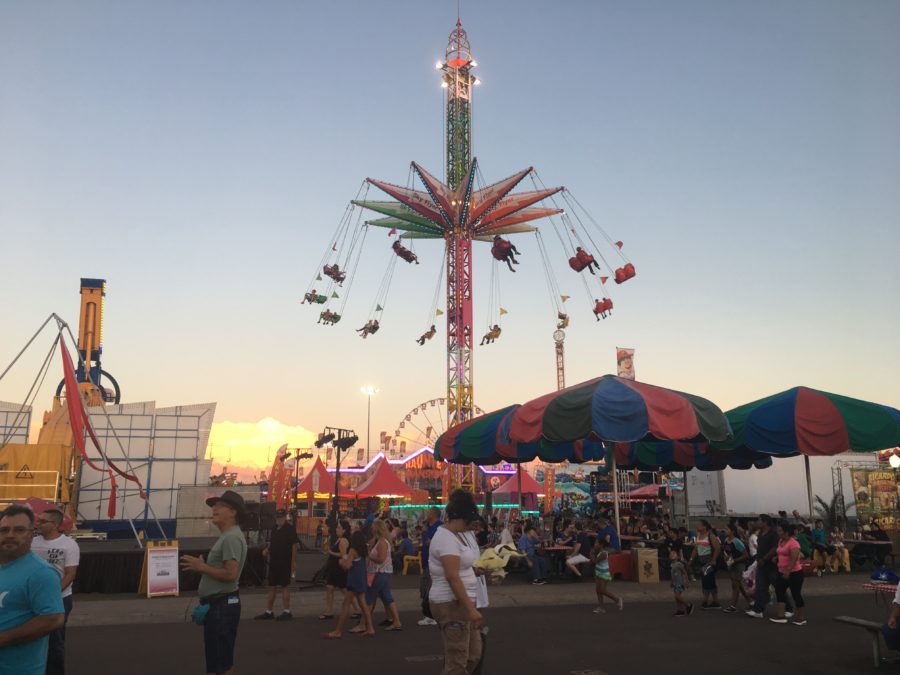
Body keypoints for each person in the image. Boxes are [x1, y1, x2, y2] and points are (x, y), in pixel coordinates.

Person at [180, 490, 248, 675]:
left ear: (233, 512)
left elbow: (230, 574)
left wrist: (201, 567)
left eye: (220, 505)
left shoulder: (232, 537)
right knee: (221, 662)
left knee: (222, 666)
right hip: (220, 606)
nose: (214, 508)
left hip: (222, 608)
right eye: (214, 505)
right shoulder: (229, 536)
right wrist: (203, 565)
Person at [0, 505, 65, 675]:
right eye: (4, 530)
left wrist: (3, 639)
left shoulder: (41, 572)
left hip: (16, 669)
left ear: (31, 534)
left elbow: (53, 619)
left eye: (19, 530)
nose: (10, 535)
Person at [428, 489, 484, 674]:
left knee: (472, 655)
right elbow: (452, 576)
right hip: (451, 603)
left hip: (462, 601)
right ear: (461, 518)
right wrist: (471, 609)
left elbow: (462, 567)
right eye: (469, 521)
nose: (471, 525)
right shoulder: (446, 538)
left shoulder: (460, 534)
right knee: (457, 658)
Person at [31, 508, 79, 675]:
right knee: (31, 638)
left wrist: (51, 595)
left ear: (55, 524)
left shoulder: (69, 545)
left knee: (55, 642)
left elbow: (70, 574)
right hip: (33, 599)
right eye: (38, 521)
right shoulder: (32, 542)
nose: (38, 524)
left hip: (59, 599)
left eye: (43, 521)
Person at [325, 530, 374, 639]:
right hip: (361, 577)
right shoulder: (363, 550)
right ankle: (370, 627)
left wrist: (342, 562)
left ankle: (338, 631)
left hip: (354, 578)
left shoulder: (352, 550)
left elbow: (347, 566)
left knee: (345, 604)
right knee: (363, 603)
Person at [255, 509, 298, 621]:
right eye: (277, 518)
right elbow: (273, 542)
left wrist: (293, 562)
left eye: (281, 517)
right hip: (274, 562)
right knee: (272, 586)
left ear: (285, 517)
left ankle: (286, 611)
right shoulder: (274, 528)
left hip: (285, 562)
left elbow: (294, 546)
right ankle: (269, 611)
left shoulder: (290, 529)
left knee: (284, 586)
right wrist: (267, 549)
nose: (279, 519)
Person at [360, 519, 402, 632]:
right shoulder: (380, 541)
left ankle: (363, 624)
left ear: (377, 528)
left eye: (373, 527)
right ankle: (396, 621)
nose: (371, 529)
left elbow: (381, 559)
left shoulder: (382, 542)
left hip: (380, 572)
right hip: (383, 572)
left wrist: (369, 556)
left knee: (370, 597)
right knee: (386, 596)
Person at [746, 514, 789, 620]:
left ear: (765, 522)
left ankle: (788, 608)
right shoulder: (761, 533)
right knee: (760, 587)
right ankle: (758, 610)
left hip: (771, 565)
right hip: (761, 564)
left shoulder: (773, 533)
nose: (757, 522)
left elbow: (775, 548)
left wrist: (765, 558)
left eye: (759, 520)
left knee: (778, 587)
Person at [769, 523, 807, 626]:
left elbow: (794, 558)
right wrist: (776, 558)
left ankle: (801, 618)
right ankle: (781, 616)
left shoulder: (794, 543)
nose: (778, 532)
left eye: (780, 530)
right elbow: (781, 553)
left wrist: (788, 570)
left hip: (794, 573)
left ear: (786, 532)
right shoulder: (781, 541)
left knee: (796, 594)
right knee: (779, 592)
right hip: (781, 572)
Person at [418, 507, 443, 627]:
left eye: (428, 512)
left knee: (430, 589)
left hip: (433, 562)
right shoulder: (429, 527)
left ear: (433, 514)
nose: (426, 514)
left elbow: (431, 543)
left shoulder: (439, 527)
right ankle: (429, 614)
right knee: (425, 588)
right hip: (427, 560)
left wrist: (424, 533)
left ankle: (432, 616)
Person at [690, 520, 721, 609]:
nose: (697, 526)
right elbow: (696, 549)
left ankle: (706, 601)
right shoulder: (699, 535)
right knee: (707, 580)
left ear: (704, 527)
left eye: (699, 525)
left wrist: (714, 560)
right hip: (702, 561)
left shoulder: (710, 536)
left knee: (707, 580)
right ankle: (714, 601)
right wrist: (691, 560)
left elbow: (717, 548)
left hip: (708, 561)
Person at [722, 522, 751, 612]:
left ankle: (733, 606)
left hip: (739, 565)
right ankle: (750, 602)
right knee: (738, 585)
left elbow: (746, 555)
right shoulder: (726, 540)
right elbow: (726, 552)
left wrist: (735, 560)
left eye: (727, 529)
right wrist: (727, 560)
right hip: (731, 564)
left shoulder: (737, 542)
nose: (725, 530)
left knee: (735, 585)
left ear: (732, 531)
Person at [590, 537, 623, 614]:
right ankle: (601, 608)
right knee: (598, 590)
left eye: (596, 543)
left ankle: (617, 599)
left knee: (602, 590)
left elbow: (595, 561)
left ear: (601, 545)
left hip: (604, 574)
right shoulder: (599, 551)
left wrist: (591, 554)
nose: (595, 544)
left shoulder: (604, 553)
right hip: (598, 572)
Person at [669, 547, 693, 617]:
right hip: (675, 583)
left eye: (674, 554)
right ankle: (680, 610)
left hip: (680, 583)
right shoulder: (672, 565)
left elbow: (684, 572)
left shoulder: (679, 564)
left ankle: (688, 605)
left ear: (678, 557)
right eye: (671, 554)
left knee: (677, 596)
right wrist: (671, 582)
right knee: (676, 598)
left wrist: (687, 581)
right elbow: (672, 575)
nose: (672, 555)